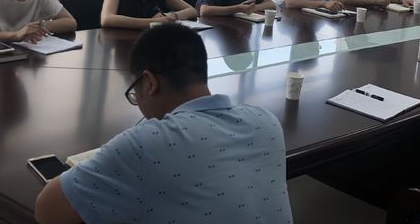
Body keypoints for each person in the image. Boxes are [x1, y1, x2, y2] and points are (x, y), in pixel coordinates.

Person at [34, 24, 292, 224]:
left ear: (149, 82)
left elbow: (48, 210)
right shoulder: (266, 122)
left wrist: (111, 158)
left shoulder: (147, 144)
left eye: (134, 93)